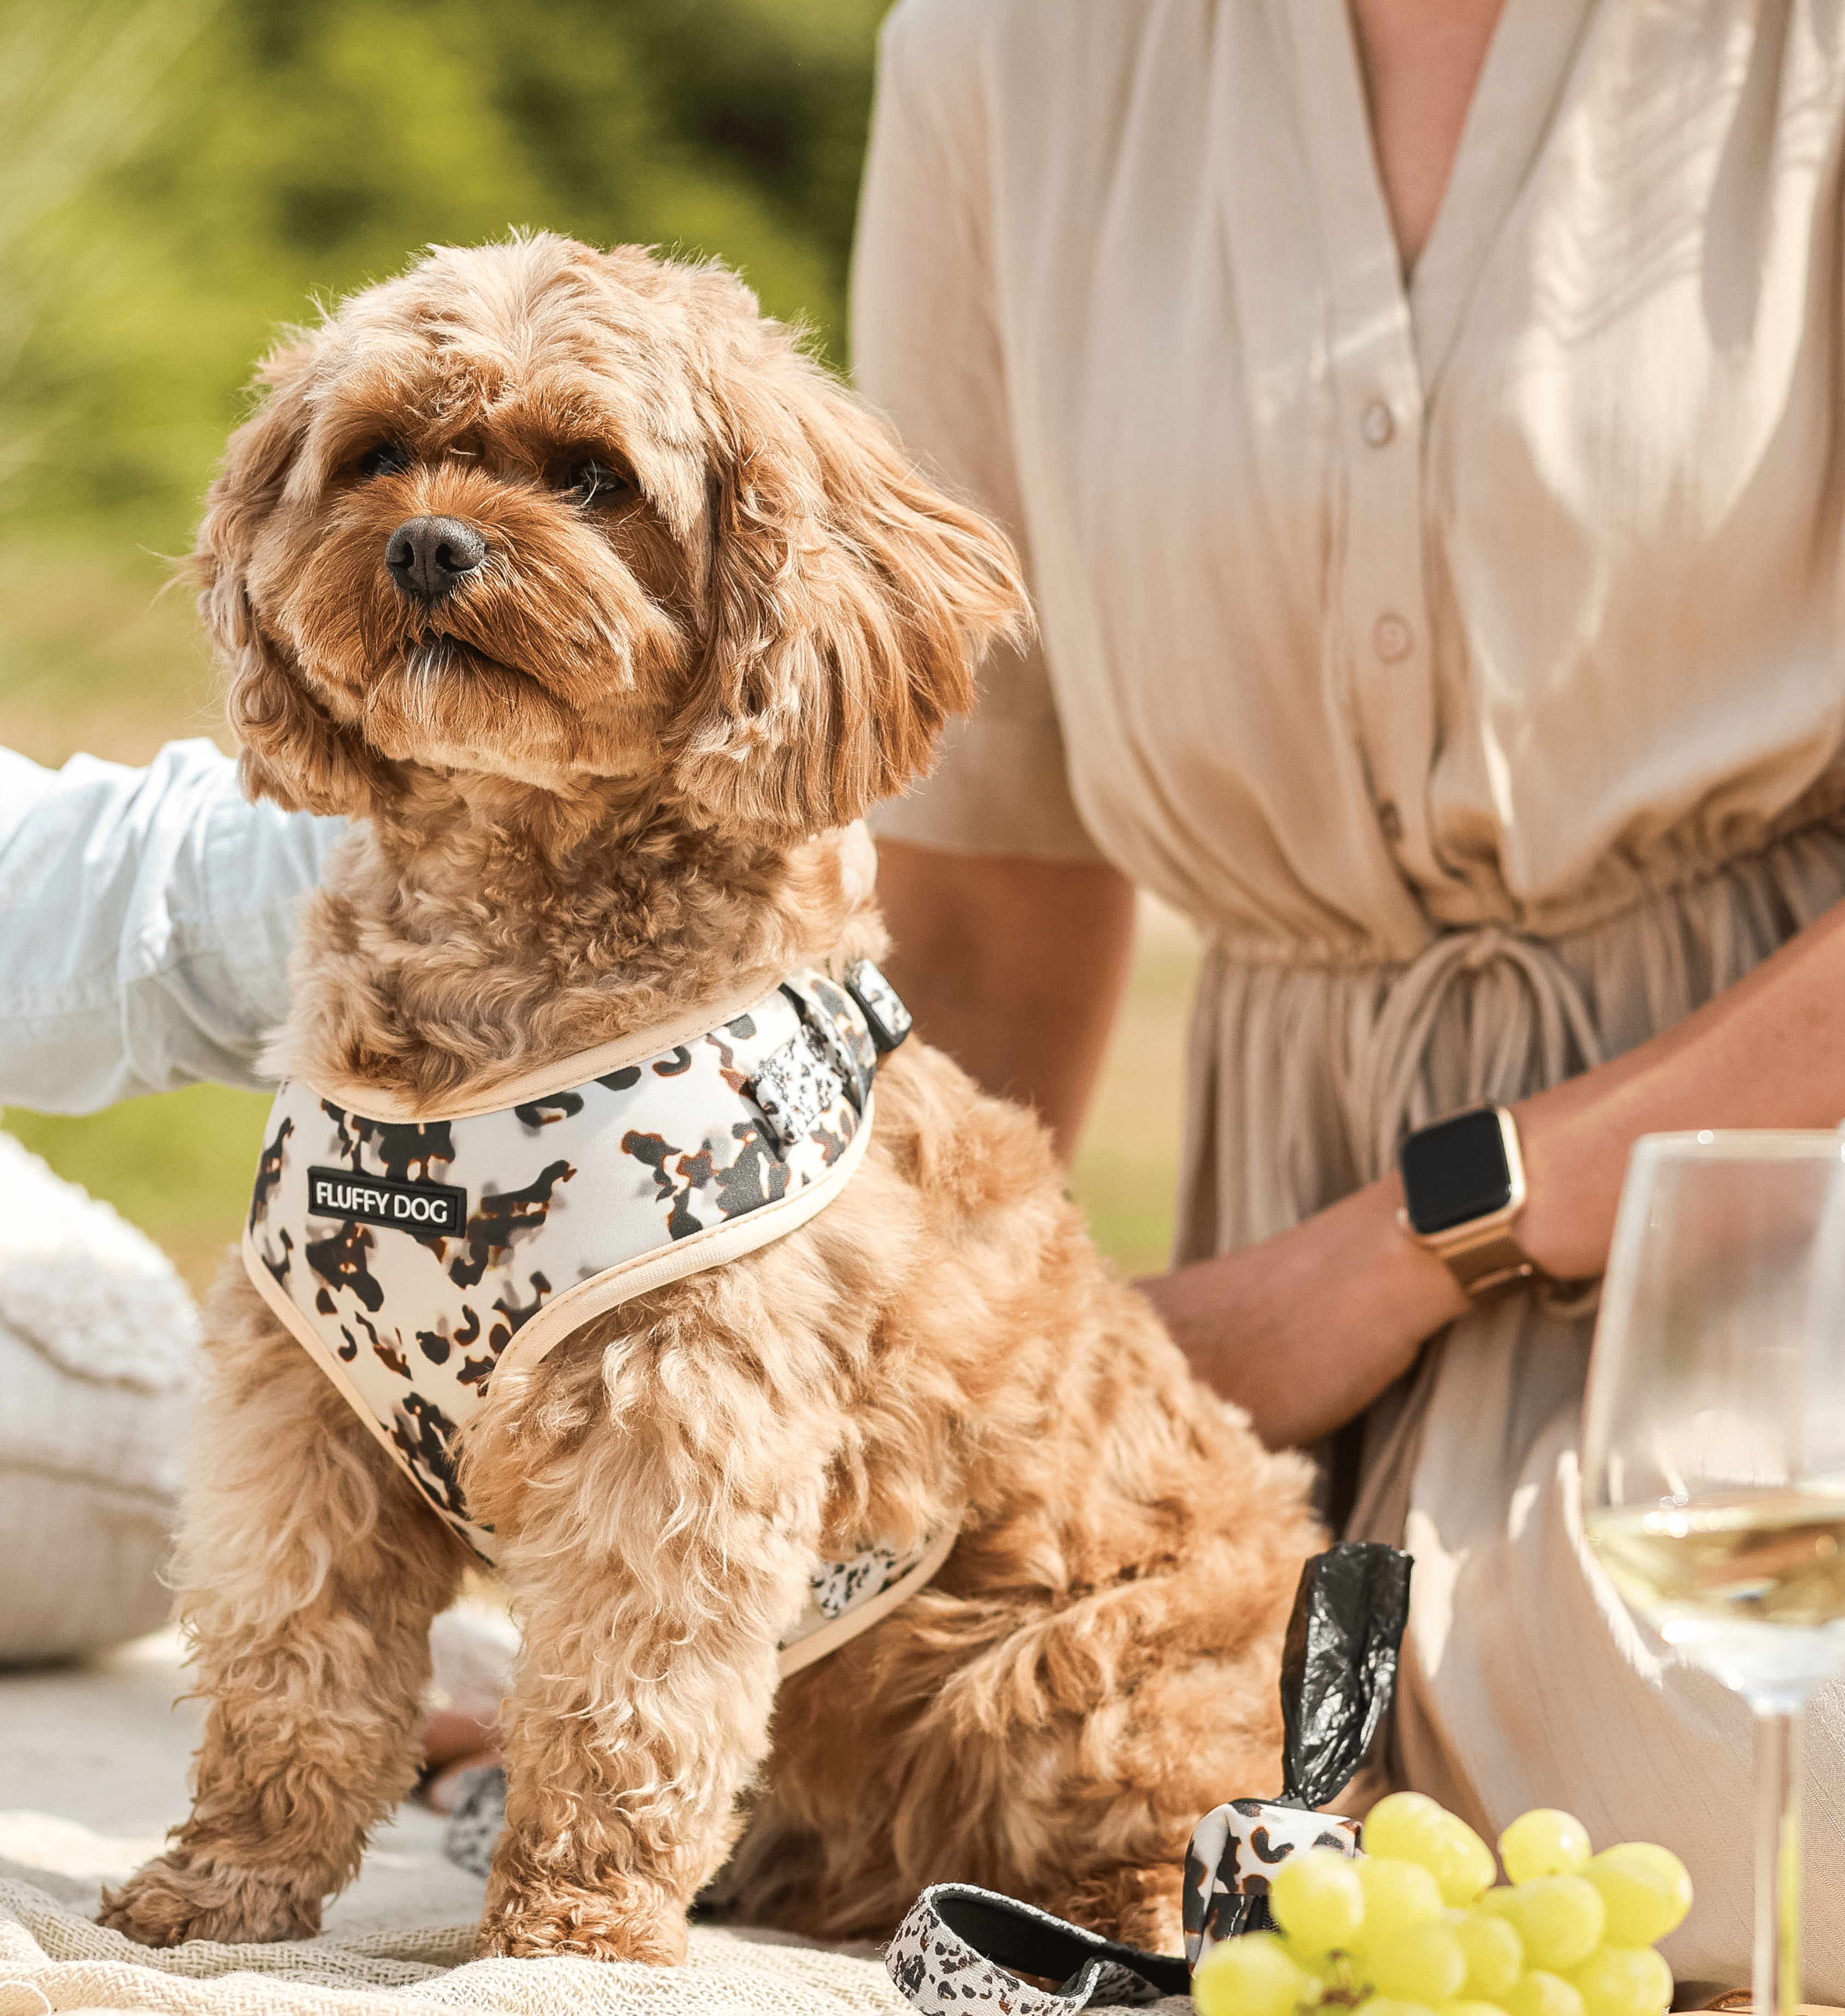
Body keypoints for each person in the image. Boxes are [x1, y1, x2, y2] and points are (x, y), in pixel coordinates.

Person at [851, 0, 1845, 1996]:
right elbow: (981, 904)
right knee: (992, 1782)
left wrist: (1416, 1240)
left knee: (1756, 1808)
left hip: (1772, 1205)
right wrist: (864, 1530)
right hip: (1251, 1327)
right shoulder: (999, 51)